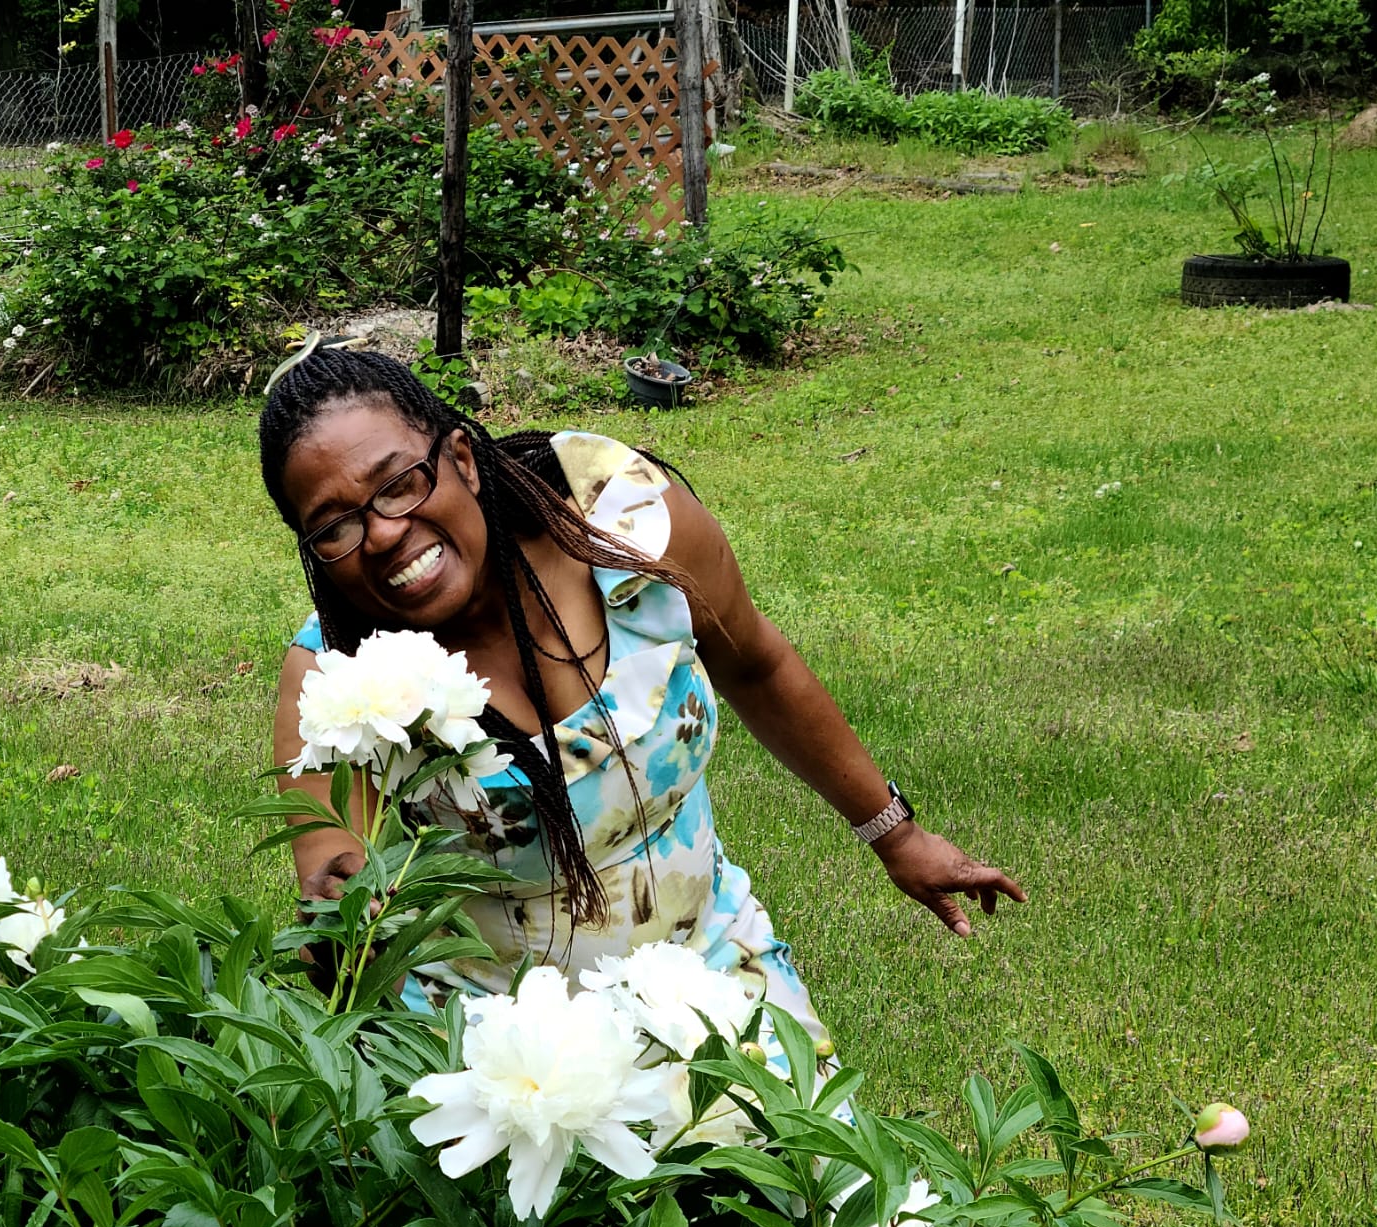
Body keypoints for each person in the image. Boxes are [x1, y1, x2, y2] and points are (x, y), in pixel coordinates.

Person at [262, 347, 1023, 1047]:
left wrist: (897, 836)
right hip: (502, 1059)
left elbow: (754, 663)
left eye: (400, 484)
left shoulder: (628, 527)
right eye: (335, 525)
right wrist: (340, 920)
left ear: (460, 456)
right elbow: (333, 871)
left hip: (713, 976)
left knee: (819, 1192)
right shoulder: (341, 684)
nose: (385, 533)